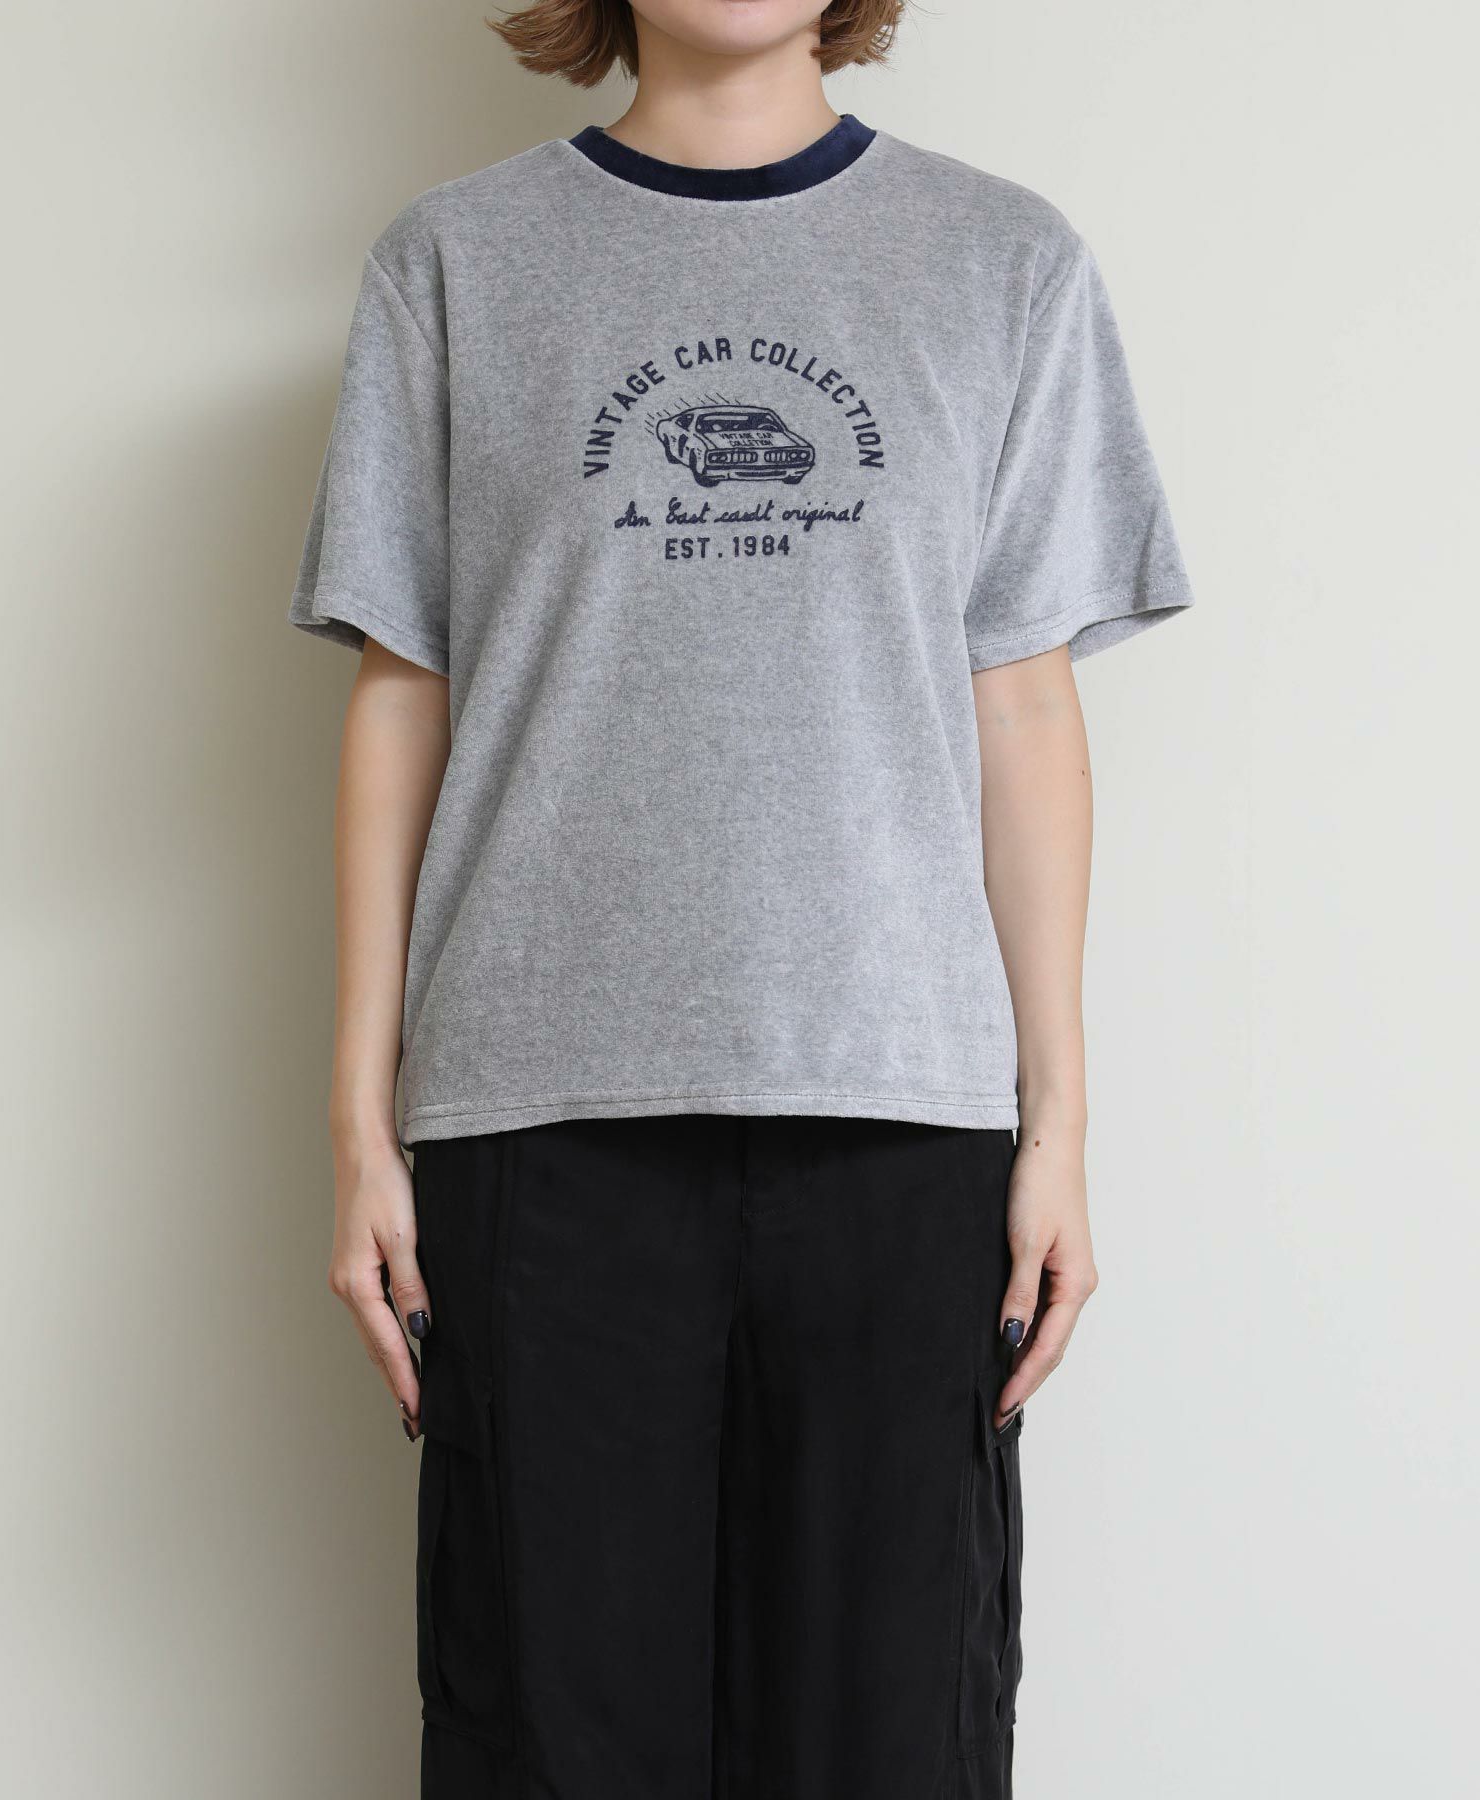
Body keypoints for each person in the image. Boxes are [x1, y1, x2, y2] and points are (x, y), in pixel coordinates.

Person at [287, 3, 1194, 1794]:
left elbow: (1024, 711)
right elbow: (404, 697)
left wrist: (1059, 1129)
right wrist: (357, 1128)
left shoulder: (1002, 261)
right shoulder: (456, 263)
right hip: (537, 1122)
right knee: (548, 1734)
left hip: (902, 1123)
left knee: (892, 1734)